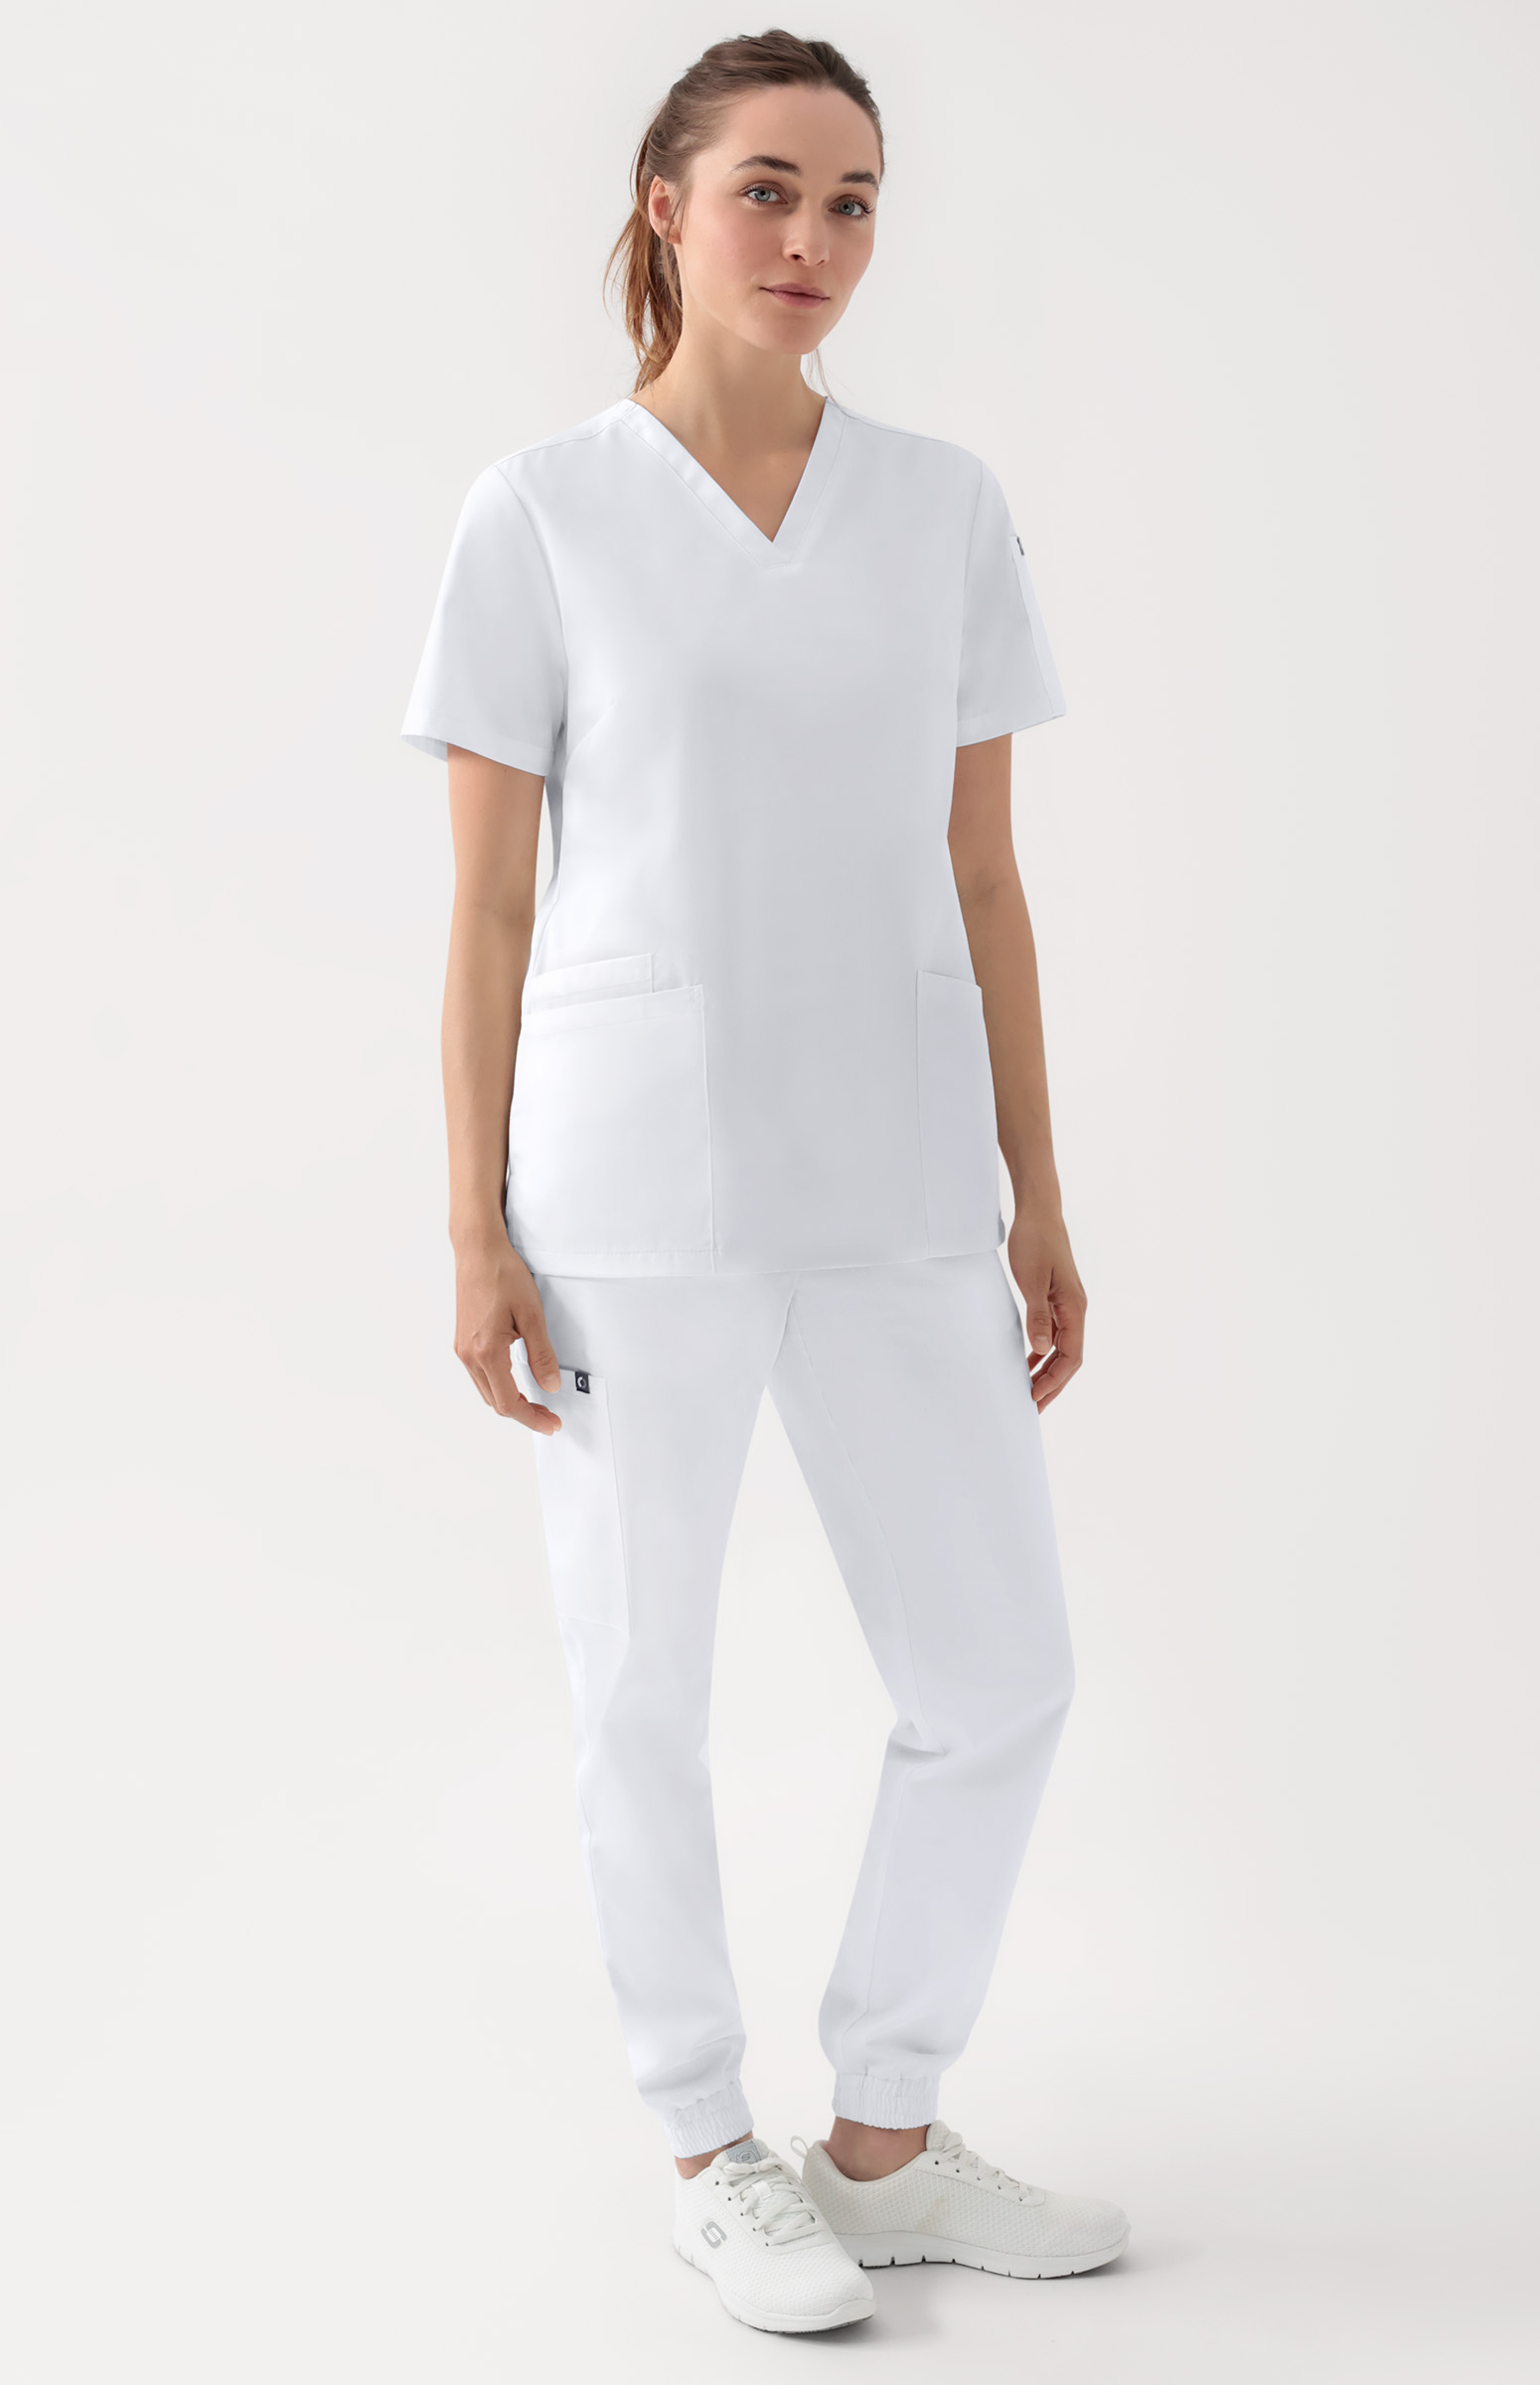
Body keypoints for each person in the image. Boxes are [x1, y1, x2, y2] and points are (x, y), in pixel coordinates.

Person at [400, 27, 1129, 2334]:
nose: (811, 239)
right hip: (628, 1197)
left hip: (899, 1181)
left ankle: (881, 2138)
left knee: (998, 1674)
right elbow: (487, 909)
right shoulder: (539, 515)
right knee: (641, 1691)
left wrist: (1034, 1190)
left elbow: (985, 878)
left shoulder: (939, 508)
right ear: (665, 204)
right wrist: (470, 1226)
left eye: (851, 202)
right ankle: (708, 2145)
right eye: (767, 191)